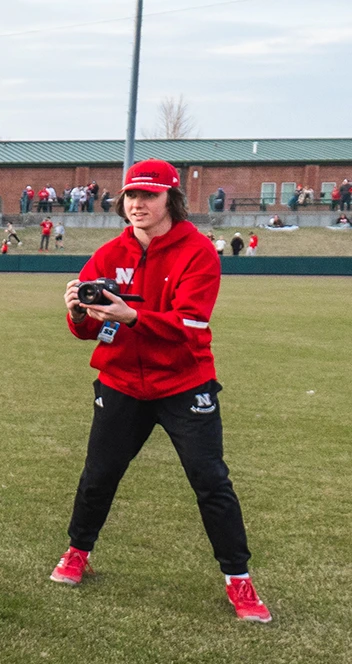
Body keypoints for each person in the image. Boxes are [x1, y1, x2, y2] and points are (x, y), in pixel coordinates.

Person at [52, 160, 270, 623]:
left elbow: (190, 326)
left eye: (148, 196)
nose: (137, 204)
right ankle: (77, 552)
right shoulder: (110, 253)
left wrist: (131, 317)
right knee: (98, 475)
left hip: (184, 382)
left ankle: (239, 580)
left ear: (171, 199)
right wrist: (77, 312)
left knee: (211, 482)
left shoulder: (198, 252)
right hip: (121, 382)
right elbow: (86, 331)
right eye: (131, 196)